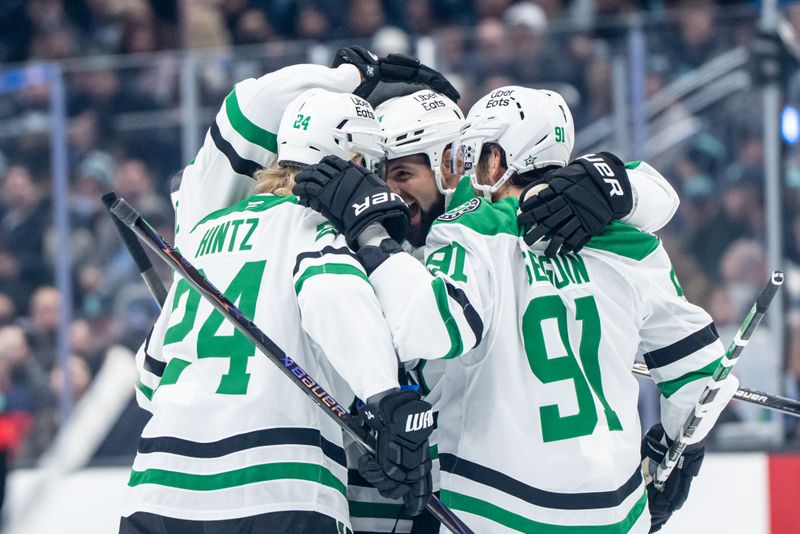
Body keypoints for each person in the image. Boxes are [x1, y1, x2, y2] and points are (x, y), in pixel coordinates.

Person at [293, 86, 739, 533]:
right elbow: (703, 376)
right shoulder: (631, 243)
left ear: (497, 159)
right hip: (615, 514)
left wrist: (370, 235)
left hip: (493, 509)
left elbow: (426, 328)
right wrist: (677, 448)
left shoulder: (475, 228)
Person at [119, 89, 435, 533]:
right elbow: (331, 298)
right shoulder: (318, 228)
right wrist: (386, 398)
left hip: (159, 490)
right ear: (353, 162)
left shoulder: (206, 233)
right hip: (276, 488)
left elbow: (149, 380)